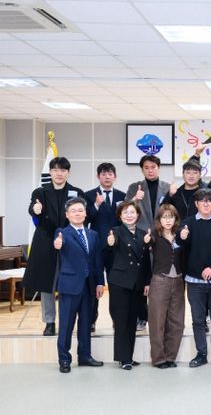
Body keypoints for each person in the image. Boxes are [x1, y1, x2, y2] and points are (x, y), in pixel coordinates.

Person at [25, 156, 86, 336]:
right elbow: (33, 208)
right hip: (45, 241)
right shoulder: (40, 192)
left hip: (70, 240)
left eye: (63, 170)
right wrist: (35, 209)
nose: (59, 173)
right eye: (55, 170)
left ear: (68, 172)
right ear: (50, 172)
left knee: (68, 282)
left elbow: (84, 214)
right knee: (47, 283)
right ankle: (49, 322)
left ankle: (67, 321)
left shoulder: (76, 192)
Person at [178, 189, 211, 368]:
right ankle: (201, 353)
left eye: (210, 201)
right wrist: (181, 236)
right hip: (194, 281)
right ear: (196, 204)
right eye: (202, 201)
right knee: (198, 320)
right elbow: (180, 244)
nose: (206, 204)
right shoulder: (187, 224)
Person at [53, 197, 105, 373]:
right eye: (73, 211)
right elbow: (58, 243)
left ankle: (84, 356)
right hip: (70, 285)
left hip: (89, 286)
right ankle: (64, 359)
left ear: (85, 213)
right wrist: (57, 244)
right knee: (66, 324)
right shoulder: (62, 232)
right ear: (67, 215)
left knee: (85, 323)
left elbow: (98, 261)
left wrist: (100, 283)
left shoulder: (93, 234)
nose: (77, 213)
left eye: (80, 210)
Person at [125, 155, 170, 331]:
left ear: (159, 168)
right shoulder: (134, 187)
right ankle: (141, 317)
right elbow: (124, 210)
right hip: (139, 238)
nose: (150, 170)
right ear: (142, 170)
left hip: (162, 238)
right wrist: (135, 199)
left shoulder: (167, 188)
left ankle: (160, 317)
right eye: (146, 167)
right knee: (140, 278)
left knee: (160, 280)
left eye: (153, 167)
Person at [106, 201, 152, 370]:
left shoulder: (143, 233)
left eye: (132, 212)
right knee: (121, 321)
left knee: (132, 321)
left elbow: (145, 261)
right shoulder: (115, 231)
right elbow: (110, 248)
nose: (129, 215)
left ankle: (128, 357)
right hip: (120, 283)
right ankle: (123, 358)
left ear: (138, 215)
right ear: (120, 216)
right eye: (125, 212)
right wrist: (110, 243)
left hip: (137, 283)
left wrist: (147, 281)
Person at [85, 162, 126, 333]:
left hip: (116, 248)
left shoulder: (122, 196)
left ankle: (117, 320)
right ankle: (91, 320)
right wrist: (95, 205)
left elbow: (126, 220)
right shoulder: (89, 195)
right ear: (98, 177)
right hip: (95, 247)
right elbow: (85, 218)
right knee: (94, 284)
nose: (107, 177)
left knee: (116, 286)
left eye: (110, 174)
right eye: (103, 174)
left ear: (115, 177)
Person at [147, 204, 185, 369]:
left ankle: (170, 357)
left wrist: (185, 239)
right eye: (164, 217)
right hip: (160, 281)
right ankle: (159, 359)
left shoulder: (181, 235)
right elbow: (146, 247)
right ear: (159, 219)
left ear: (175, 219)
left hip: (178, 281)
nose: (168, 220)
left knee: (177, 322)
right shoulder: (154, 235)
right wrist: (146, 241)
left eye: (171, 217)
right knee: (157, 322)